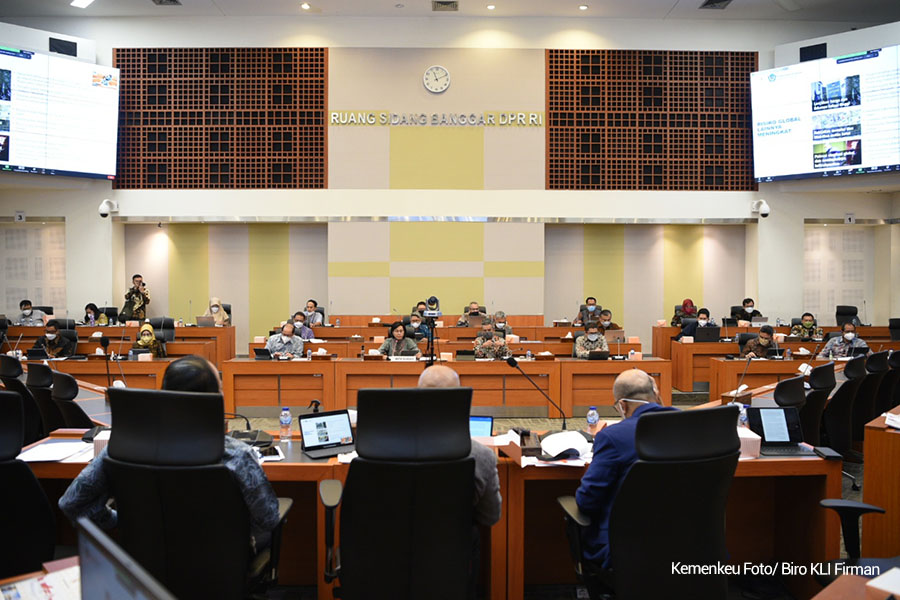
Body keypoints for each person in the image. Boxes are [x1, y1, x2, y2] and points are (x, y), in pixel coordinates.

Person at [58, 355, 281, 553]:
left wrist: (121, 523)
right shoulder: (237, 455)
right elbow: (268, 518)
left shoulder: (120, 448)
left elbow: (72, 503)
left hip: (140, 568)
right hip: (219, 570)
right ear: (213, 401)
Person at [575, 369, 675, 567]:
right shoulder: (693, 427)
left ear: (622, 405)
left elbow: (587, 500)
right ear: (656, 394)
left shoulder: (613, 437)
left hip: (628, 550)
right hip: (691, 544)